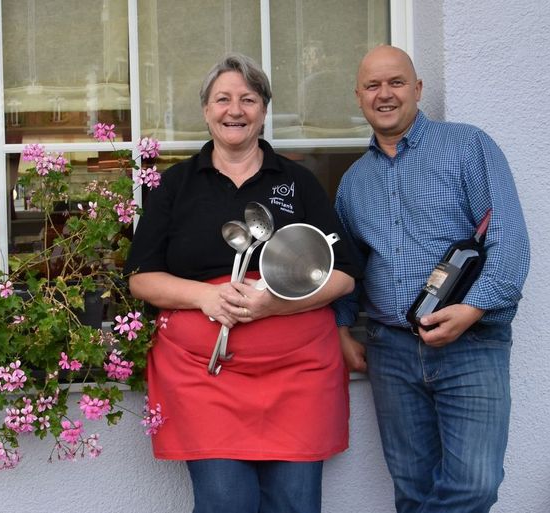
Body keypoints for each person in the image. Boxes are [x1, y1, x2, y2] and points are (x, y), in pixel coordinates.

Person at [124, 53, 359, 513]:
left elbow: (345, 274)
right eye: (223, 99)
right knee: (224, 502)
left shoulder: (298, 182)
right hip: (203, 376)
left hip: (298, 376)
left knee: (295, 504)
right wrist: (205, 296)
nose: (235, 110)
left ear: (264, 110)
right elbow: (141, 278)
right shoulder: (176, 185)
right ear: (206, 110)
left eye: (248, 99)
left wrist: (272, 305)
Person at [333, 45, 530, 513]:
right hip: (391, 351)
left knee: (476, 484)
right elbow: (349, 269)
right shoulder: (353, 183)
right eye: (373, 86)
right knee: (413, 489)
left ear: (418, 89)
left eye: (397, 82)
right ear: (358, 97)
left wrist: (473, 308)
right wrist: (341, 329)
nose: (385, 95)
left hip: (472, 344)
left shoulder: (468, 146)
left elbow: (508, 238)